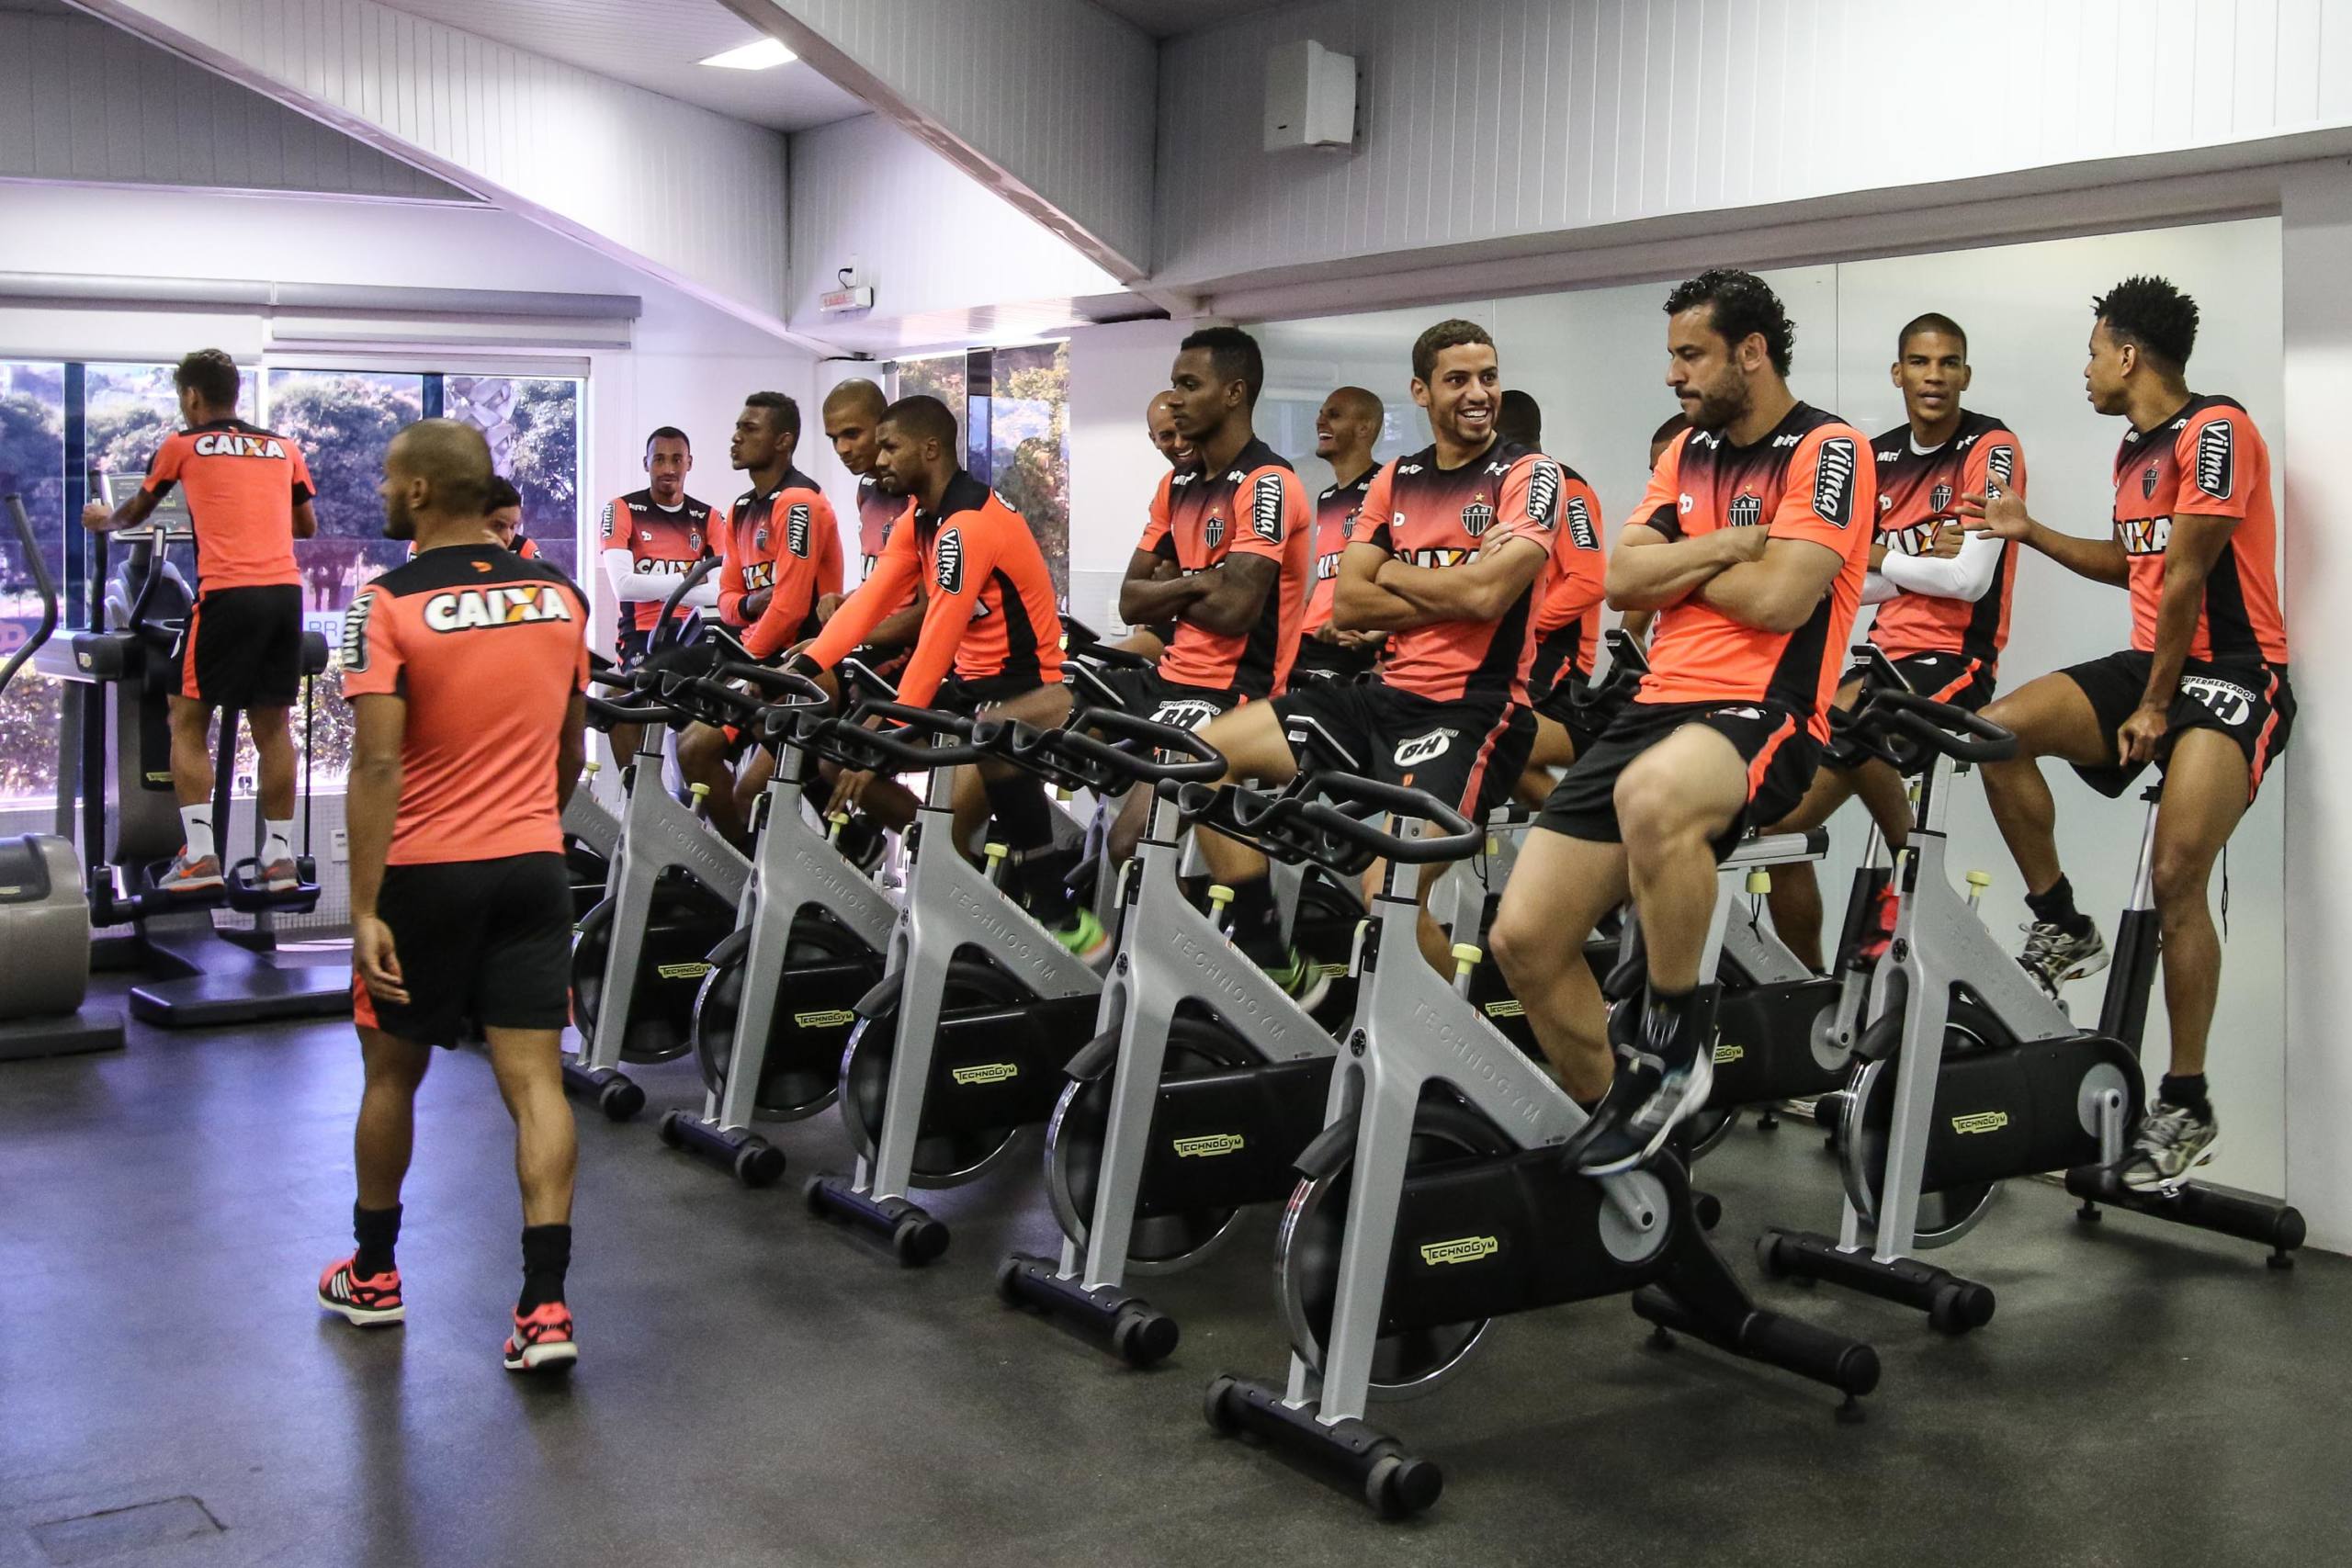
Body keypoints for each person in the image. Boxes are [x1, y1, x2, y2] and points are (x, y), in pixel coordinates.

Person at [1487, 268, 1875, 1175]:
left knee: (1655, 795)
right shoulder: (1686, 453)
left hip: (1762, 712)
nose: (1674, 375)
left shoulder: (1829, 449)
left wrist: (1685, 565)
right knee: (1524, 939)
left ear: (1751, 353)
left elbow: (1781, 601)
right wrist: (1730, 546)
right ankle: (1629, 1139)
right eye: (1672, 357)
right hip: (1654, 706)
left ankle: (1673, 1045)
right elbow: (1622, 580)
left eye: (1690, 355)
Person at [1959, 276, 2291, 1191]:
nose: (2087, 369)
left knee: (2177, 872)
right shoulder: (2132, 452)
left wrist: (2153, 705)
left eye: (2094, 351)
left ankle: (2185, 1102)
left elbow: (2185, 576)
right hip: (2156, 660)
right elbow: (2136, 568)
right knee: (1998, 731)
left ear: (2128, 354)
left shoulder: (2216, 432)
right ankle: (2061, 920)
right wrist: (2030, 532)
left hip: (2229, 676)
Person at [317, 418, 590, 1375]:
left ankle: (376, 1276)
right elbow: (569, 755)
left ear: (423, 492)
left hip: (425, 876)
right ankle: (545, 1308)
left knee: (391, 1077)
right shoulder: (560, 596)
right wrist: (524, 829)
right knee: (537, 1084)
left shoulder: (381, 604)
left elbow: (379, 759)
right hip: (532, 867)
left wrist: (361, 907)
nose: (385, 493)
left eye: (392, 479)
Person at [1192, 318, 1576, 986]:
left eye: (1488, 376)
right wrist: (1447, 582)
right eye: (1457, 379)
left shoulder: (1528, 475)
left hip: (1469, 711)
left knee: (1385, 893)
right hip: (1380, 698)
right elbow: (1348, 604)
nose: (1478, 392)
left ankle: (1461, 1037)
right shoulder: (1396, 478)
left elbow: (1489, 597)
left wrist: (1394, 574)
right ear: (1421, 392)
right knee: (1205, 764)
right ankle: (1271, 958)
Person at [1759, 313, 2025, 969]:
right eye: (1920, 362)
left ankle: (1914, 878)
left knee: (1861, 726)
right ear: (1897, 372)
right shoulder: (1875, 456)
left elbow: (1966, 580)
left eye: (1948, 363)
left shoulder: (1991, 448)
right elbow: (1858, 583)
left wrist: (1879, 552)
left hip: (1956, 662)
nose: (1934, 376)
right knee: (1776, 821)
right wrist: (1896, 558)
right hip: (1880, 660)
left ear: (1966, 373)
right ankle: (1810, 980)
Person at [792, 395, 1102, 953]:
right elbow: (867, 603)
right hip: (970, 688)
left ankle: (1046, 909)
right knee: (839, 750)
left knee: (933, 767)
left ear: (930, 450)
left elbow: (937, 634)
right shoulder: (920, 518)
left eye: (890, 447)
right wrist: (805, 665)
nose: (877, 459)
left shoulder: (966, 524)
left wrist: (891, 731)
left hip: (1025, 689)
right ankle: (969, 894)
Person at [82, 349, 318, 896]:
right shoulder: (283, 447)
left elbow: (135, 513)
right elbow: (306, 526)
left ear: (191, 396)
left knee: (185, 717)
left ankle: (201, 857)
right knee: (273, 728)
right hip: (284, 595)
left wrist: (102, 521)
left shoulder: (182, 445)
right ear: (235, 392)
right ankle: (279, 858)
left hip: (227, 596)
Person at [1102, 327, 1312, 863]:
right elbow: (1130, 601)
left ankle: (1251, 931)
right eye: (1174, 384)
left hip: (1231, 691)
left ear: (1234, 393)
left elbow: (1236, 612)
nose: (1174, 399)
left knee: (1129, 844)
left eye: (1189, 384)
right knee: (1014, 728)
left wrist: (1168, 590)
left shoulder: (1268, 481)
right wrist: (1199, 580)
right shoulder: (1178, 487)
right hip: (1167, 677)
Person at [677, 393, 842, 849]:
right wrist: (750, 606)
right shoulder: (741, 509)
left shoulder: (800, 503)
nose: (735, 436)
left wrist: (745, 663)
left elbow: (789, 609)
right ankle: (742, 866)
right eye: (738, 426)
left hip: (797, 661)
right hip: (752, 653)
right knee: (690, 747)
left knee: (701, 754)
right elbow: (728, 599)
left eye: (750, 428)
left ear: (783, 441)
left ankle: (747, 865)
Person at [1490, 390, 1611, 810]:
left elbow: (1589, 581)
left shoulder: (1567, 487)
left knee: (1492, 735)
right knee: (1503, 759)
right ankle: (1574, 845)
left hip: (1556, 652)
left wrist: (1523, 624)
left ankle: (1600, 744)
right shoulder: (1504, 490)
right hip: (1515, 648)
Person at [1289, 386, 1385, 687]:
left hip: (1348, 646)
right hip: (1308, 639)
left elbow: (1405, 567)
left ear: (1364, 427)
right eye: (1321, 414)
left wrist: (1377, 632)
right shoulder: (1327, 497)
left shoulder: (1386, 486)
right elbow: (1327, 568)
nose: (1321, 421)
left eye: (1334, 415)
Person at [485, 476, 540, 558]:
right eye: (498, 526)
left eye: (512, 527)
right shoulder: (462, 550)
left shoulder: (524, 549)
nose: (508, 537)